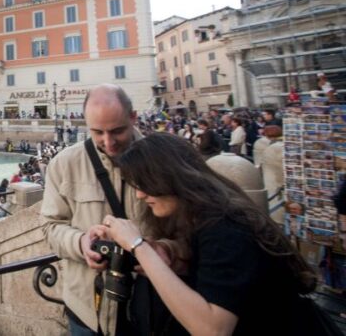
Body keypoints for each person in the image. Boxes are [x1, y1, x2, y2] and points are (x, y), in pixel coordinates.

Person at [98, 133, 316, 335]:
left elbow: (212, 329)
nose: (139, 194)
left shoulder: (226, 225)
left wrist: (139, 246)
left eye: (144, 184)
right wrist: (170, 253)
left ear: (167, 178)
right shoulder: (205, 217)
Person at [40, 84, 145, 336]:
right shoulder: (64, 164)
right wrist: (81, 242)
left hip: (149, 304)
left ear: (133, 118)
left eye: (117, 131)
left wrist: (164, 250)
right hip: (87, 308)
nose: (108, 142)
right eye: (97, 132)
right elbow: (49, 226)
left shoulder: (163, 158)